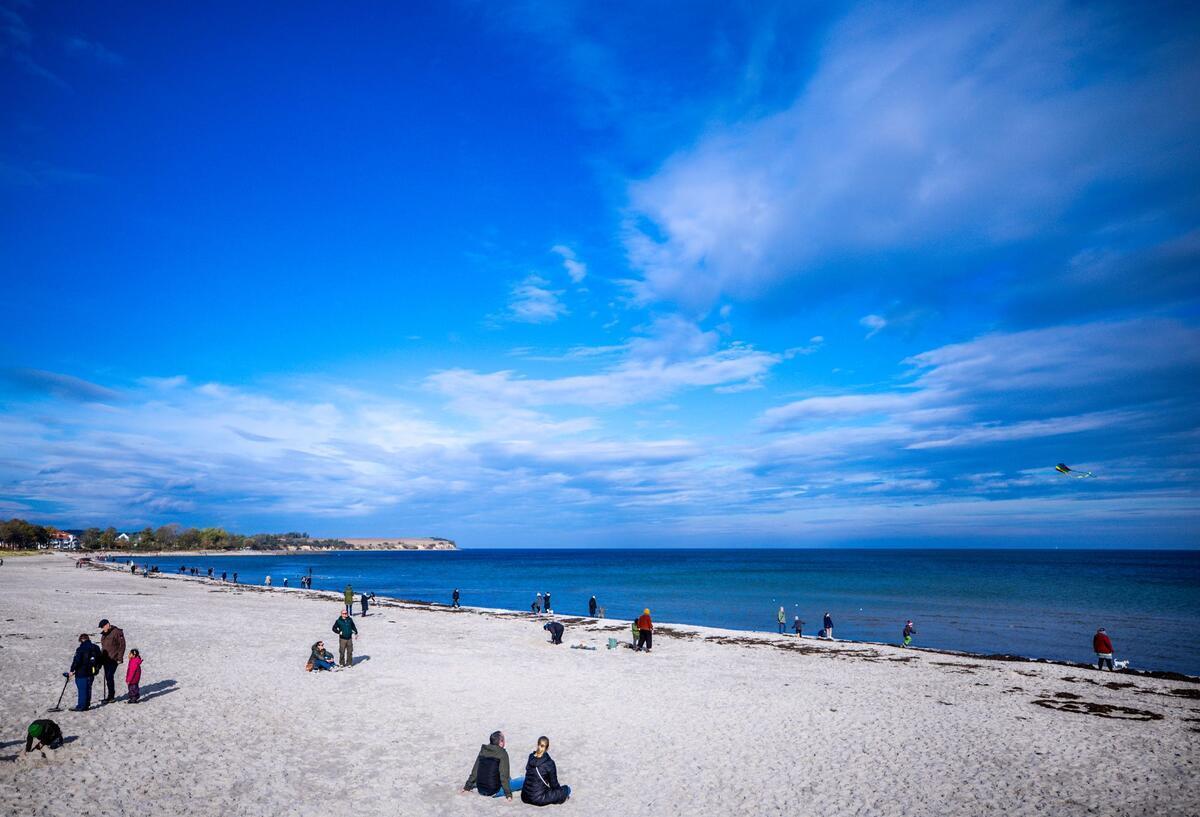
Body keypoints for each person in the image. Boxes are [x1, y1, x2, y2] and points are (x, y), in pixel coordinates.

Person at [521, 736, 571, 806]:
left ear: (537, 745)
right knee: (567, 789)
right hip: (538, 799)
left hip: (524, 796)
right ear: (547, 748)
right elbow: (554, 784)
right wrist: (560, 793)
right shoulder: (549, 763)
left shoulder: (530, 757)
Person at [68, 633, 101, 711]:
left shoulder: (80, 649)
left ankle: (81, 706)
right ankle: (86, 705)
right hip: (92, 672)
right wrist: (97, 668)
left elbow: (77, 661)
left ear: (82, 640)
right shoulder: (96, 647)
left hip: (81, 672)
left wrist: (72, 670)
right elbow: (100, 659)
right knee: (88, 688)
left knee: (82, 689)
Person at [98, 619, 126, 703]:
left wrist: (120, 658)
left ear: (107, 624)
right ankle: (110, 696)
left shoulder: (117, 632)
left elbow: (122, 645)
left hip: (114, 659)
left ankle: (111, 696)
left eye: (103, 627)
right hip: (105, 659)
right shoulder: (104, 634)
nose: (102, 628)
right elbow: (104, 647)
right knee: (108, 677)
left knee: (109, 676)